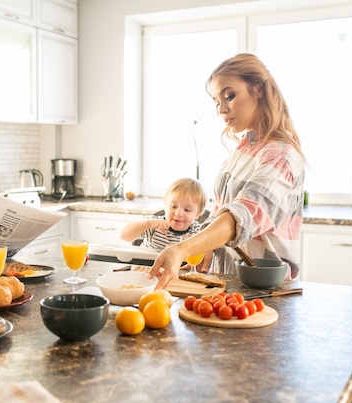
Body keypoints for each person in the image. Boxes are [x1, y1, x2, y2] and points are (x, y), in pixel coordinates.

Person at [149, 53, 305, 289]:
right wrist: (205, 245)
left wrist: (181, 249)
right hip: (229, 284)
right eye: (216, 102)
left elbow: (240, 218)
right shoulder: (245, 148)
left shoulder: (280, 155)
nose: (221, 109)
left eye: (229, 96)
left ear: (259, 89)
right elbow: (221, 211)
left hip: (264, 291)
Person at [120, 178, 206, 250]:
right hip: (147, 267)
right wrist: (148, 223)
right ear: (165, 205)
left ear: (198, 214)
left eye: (187, 210)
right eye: (173, 206)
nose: (178, 213)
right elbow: (124, 235)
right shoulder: (154, 225)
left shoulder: (197, 231)